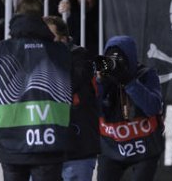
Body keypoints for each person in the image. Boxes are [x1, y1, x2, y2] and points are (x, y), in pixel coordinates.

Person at [0, 0, 72, 181]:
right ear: (40, 17)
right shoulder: (60, 51)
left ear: (16, 14)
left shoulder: (0, 50)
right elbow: (74, 86)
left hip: (11, 144)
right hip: (50, 141)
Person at [96, 35, 163, 181]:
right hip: (112, 147)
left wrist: (129, 82)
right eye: (110, 59)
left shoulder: (146, 74)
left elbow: (153, 107)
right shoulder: (103, 77)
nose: (115, 64)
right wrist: (100, 82)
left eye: (119, 59)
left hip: (145, 147)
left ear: (130, 59)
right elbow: (92, 109)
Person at [43, 15, 99, 181]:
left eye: (50, 37)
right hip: (46, 152)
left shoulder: (82, 58)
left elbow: (67, 83)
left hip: (78, 150)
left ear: (65, 39)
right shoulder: (37, 61)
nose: (46, 42)